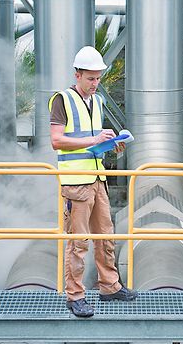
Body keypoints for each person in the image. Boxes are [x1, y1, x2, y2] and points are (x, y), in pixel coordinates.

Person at [50, 45, 137, 318]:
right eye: (90, 78)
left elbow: (89, 136)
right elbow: (57, 141)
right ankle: (75, 296)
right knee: (79, 243)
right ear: (77, 74)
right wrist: (93, 139)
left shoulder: (96, 101)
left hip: (98, 179)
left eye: (98, 78)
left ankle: (109, 286)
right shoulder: (61, 100)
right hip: (75, 184)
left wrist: (110, 141)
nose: (95, 83)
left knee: (105, 236)